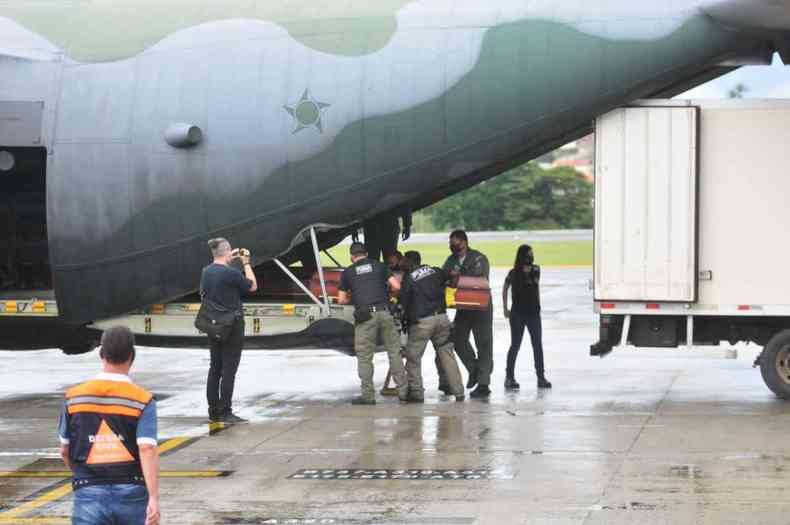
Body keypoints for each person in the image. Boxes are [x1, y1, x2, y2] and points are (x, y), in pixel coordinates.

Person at [58, 326, 160, 525]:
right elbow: (147, 448)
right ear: (132, 356)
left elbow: (64, 450)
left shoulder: (73, 397)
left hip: (88, 491)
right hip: (132, 491)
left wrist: (84, 477)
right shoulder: (143, 400)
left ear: (101, 354)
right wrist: (154, 498)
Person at [337, 242, 408, 404]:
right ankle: (404, 392)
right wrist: (387, 294)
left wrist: (353, 295)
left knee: (364, 357)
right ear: (366, 253)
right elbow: (397, 285)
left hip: (365, 316)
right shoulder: (380, 266)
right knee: (394, 352)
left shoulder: (348, 272)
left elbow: (341, 300)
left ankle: (368, 396)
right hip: (384, 312)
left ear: (352, 257)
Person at [200, 238, 258, 423]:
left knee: (214, 368)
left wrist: (229, 259)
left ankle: (213, 410)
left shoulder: (206, 272)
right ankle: (226, 411)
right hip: (231, 326)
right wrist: (246, 263)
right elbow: (253, 285)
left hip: (213, 324)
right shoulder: (231, 274)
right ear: (227, 252)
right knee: (229, 370)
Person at [399, 251, 465, 402]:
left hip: (423, 323)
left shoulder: (409, 278)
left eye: (404, 261)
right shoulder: (435, 270)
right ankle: (459, 392)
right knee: (447, 355)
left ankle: (417, 392)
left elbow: (403, 304)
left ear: (410, 262)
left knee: (413, 357)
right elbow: (454, 275)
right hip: (442, 319)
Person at [442, 230, 493, 398]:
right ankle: (475, 370)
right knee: (457, 339)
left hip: (480, 306)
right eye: (451, 243)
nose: (453, 246)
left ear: (464, 242)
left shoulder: (479, 258)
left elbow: (479, 280)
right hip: (463, 306)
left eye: (455, 242)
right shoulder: (451, 260)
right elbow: (444, 278)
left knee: (484, 344)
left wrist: (458, 278)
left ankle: (483, 384)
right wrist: (453, 279)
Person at [503, 245, 552, 390]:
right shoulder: (513, 273)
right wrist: (505, 308)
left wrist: (539, 306)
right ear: (522, 256)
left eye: (532, 254)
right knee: (515, 345)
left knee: (537, 345)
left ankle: (541, 377)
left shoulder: (536, 269)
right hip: (517, 313)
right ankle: (509, 377)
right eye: (529, 254)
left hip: (533, 313)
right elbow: (505, 288)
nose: (531, 256)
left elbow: (535, 286)